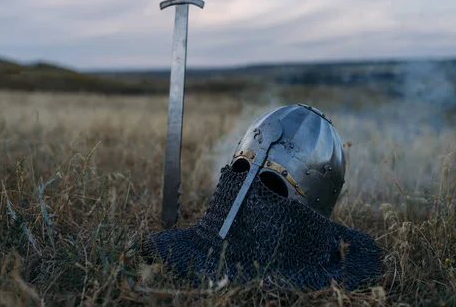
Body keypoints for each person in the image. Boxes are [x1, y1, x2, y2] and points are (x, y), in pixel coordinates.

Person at [142, 104, 384, 290]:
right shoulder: (189, 246)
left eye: (273, 184)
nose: (249, 195)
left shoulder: (305, 267)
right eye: (241, 170)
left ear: (312, 208)